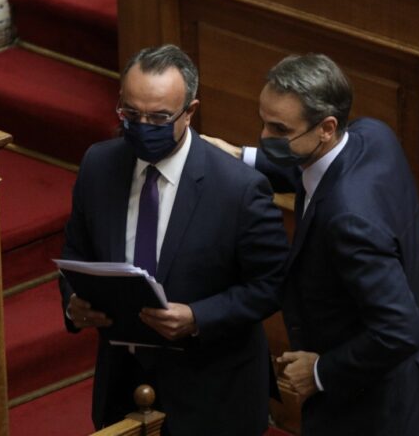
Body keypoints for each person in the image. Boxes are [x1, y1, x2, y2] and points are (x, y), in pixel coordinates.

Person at [203, 53, 419, 435]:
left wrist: (320, 371)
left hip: (384, 412)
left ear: (326, 127)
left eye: (279, 129)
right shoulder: (372, 136)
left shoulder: (348, 221)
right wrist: (242, 157)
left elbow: (399, 330)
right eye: (264, 122)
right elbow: (309, 173)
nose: (265, 136)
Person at [59, 44, 289, 435]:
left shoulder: (239, 189)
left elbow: (272, 285)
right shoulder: (99, 165)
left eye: (159, 117)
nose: (142, 126)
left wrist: (198, 317)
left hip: (213, 393)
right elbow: (76, 254)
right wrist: (73, 304)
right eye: (131, 114)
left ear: (190, 111)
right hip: (123, 384)